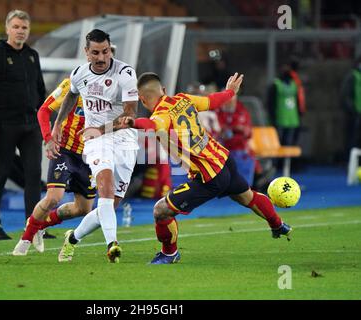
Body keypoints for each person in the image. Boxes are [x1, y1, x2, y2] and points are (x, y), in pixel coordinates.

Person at [112, 72, 292, 264]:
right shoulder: (184, 98)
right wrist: (230, 91)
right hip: (224, 160)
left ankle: (169, 253)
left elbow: (151, 124)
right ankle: (278, 224)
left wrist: (133, 123)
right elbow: (212, 101)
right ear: (163, 90)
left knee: (161, 210)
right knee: (247, 196)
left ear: (142, 99)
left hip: (209, 175)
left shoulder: (161, 114)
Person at [47, 29, 139, 263]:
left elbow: (130, 115)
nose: (101, 57)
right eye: (95, 53)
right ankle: (112, 245)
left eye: (105, 52)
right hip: (96, 140)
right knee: (105, 190)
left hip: (124, 140)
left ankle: (72, 239)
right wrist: (57, 124)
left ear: (111, 50)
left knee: (108, 208)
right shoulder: (79, 74)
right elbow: (70, 96)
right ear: (86, 53)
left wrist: (101, 128)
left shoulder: (126, 73)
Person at [0, 10, 46, 241]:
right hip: (4, 125)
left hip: (31, 125)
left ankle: (33, 226)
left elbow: (40, 91)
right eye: (16, 27)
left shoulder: (32, 56)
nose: (20, 31)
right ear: (7, 28)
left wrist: (45, 124)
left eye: (24, 28)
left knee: (34, 175)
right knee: (2, 173)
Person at [12, 77, 97, 256]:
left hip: (90, 156)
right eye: (96, 53)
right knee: (53, 198)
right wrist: (48, 139)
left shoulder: (113, 89)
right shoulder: (72, 83)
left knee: (84, 209)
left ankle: (39, 226)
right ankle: (25, 239)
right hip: (64, 150)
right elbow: (43, 110)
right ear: (88, 54)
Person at [267, 63, 303, 147]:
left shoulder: (294, 84)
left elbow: (298, 100)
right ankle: (278, 160)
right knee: (278, 143)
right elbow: (271, 102)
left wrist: (300, 113)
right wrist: (272, 117)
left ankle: (287, 160)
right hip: (281, 119)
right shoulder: (276, 84)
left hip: (293, 119)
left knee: (289, 144)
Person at [340, 55, 361, 160]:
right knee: (353, 139)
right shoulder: (352, 76)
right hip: (355, 114)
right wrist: (352, 110)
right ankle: (350, 163)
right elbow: (345, 95)